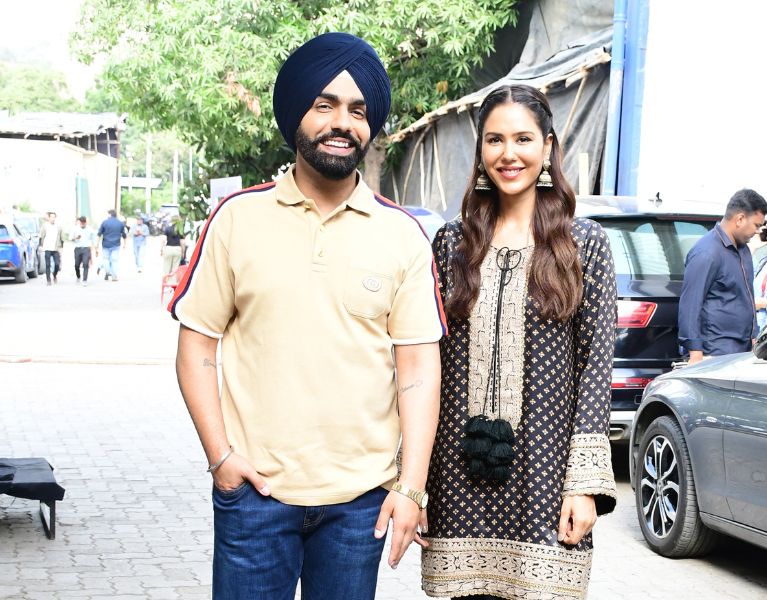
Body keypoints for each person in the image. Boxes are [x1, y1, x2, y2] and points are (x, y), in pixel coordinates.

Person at [170, 32, 446, 600]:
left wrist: (411, 487)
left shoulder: (402, 235)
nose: (342, 123)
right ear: (297, 112)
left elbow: (418, 366)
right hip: (255, 496)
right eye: (324, 105)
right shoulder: (237, 219)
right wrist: (221, 459)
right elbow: (197, 345)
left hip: (360, 503)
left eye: (358, 111)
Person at [421, 85, 617, 600]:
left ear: (548, 146)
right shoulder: (452, 242)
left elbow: (595, 367)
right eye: (495, 140)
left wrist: (584, 486)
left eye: (523, 139)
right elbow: (427, 366)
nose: (508, 154)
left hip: (545, 480)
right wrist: (413, 481)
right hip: (456, 478)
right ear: (480, 150)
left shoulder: (583, 244)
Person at [678, 189, 767, 364]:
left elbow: (745, 297)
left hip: (742, 350)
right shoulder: (707, 252)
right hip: (714, 352)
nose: (758, 231)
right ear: (740, 219)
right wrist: (695, 354)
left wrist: (753, 336)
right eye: (756, 225)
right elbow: (690, 305)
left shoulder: (743, 250)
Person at [96, 209, 127, 281]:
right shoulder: (120, 223)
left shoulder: (104, 222)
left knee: (106, 259)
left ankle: (108, 271)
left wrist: (97, 244)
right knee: (115, 260)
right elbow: (124, 235)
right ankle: (114, 276)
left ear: (110, 214)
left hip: (106, 244)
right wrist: (125, 244)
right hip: (116, 244)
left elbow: (99, 234)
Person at [39, 212, 64, 285]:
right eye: (51, 217)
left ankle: (54, 275)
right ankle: (48, 280)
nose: (53, 219)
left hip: (56, 248)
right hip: (47, 247)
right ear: (49, 218)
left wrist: (62, 247)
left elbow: (62, 238)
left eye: (54, 217)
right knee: (48, 264)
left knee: (57, 264)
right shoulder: (45, 226)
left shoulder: (58, 227)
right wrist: (40, 245)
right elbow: (41, 236)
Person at [71, 216, 96, 286]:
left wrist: (95, 248)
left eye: (84, 223)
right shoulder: (75, 229)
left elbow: (93, 240)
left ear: (86, 222)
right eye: (81, 223)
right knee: (76, 265)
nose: (83, 224)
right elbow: (70, 238)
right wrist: (76, 238)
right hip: (77, 249)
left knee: (85, 264)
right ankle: (78, 276)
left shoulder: (90, 229)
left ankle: (85, 280)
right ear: (79, 222)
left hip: (86, 249)